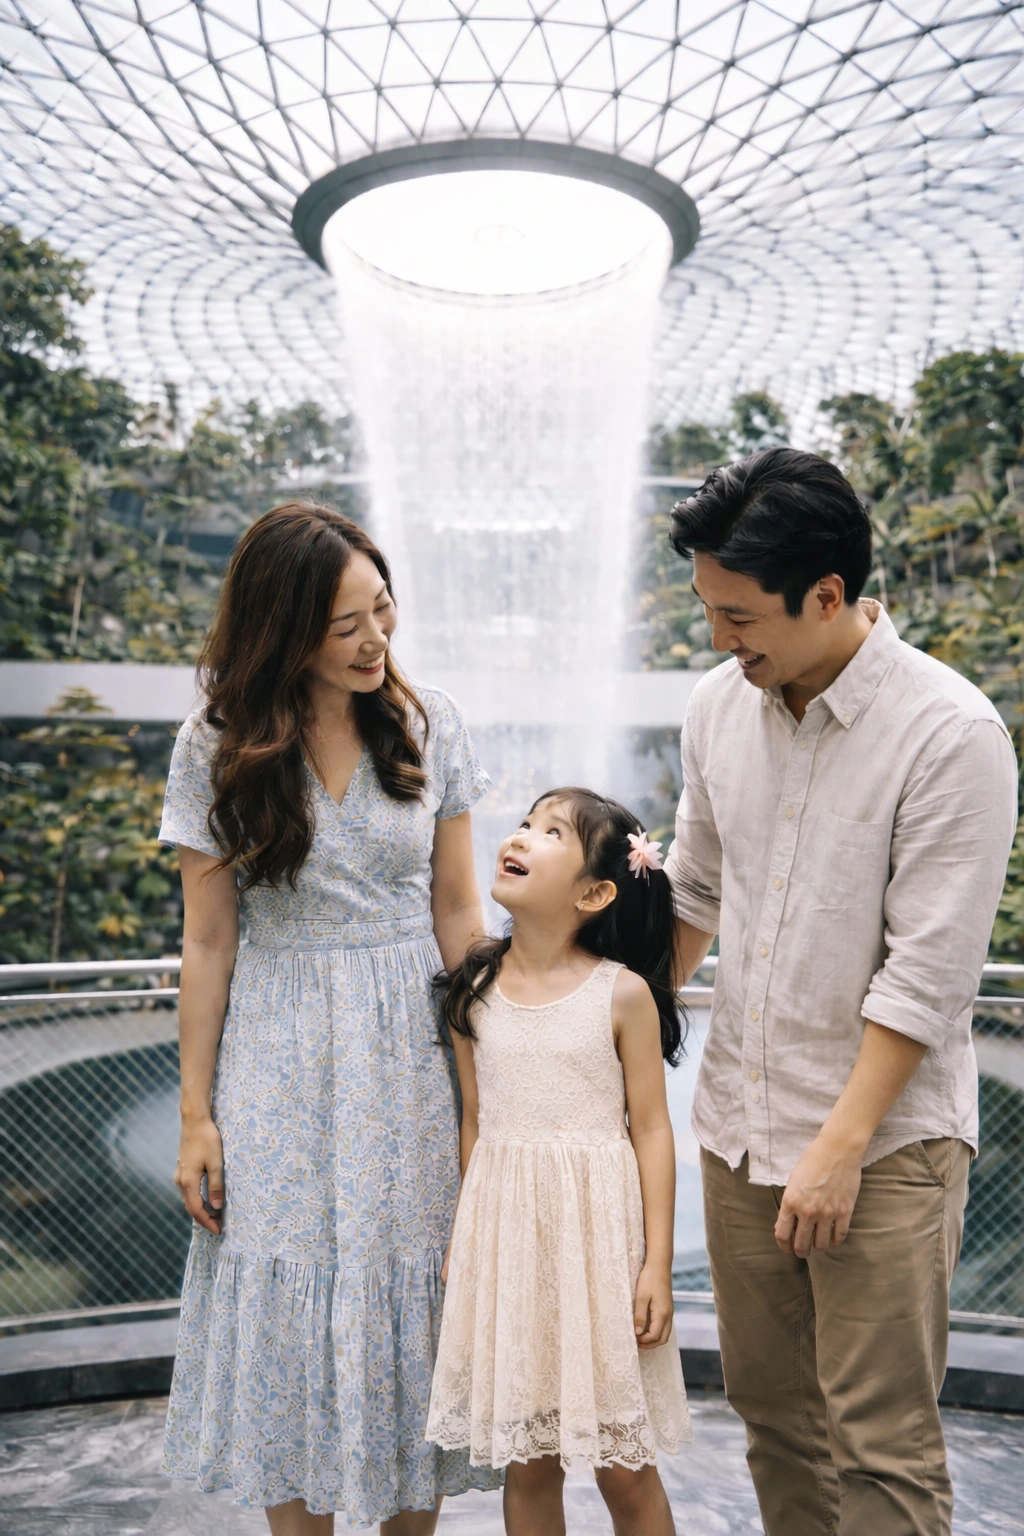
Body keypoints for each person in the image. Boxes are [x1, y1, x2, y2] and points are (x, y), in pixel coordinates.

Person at [663, 447, 1018, 1536]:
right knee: (774, 1419)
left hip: (881, 1148)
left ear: (827, 596)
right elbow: (693, 890)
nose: (719, 640)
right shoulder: (719, 709)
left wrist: (837, 1146)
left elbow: (930, 973)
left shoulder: (949, 733)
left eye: (738, 617)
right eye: (707, 611)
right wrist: (600, 1034)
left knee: (880, 1448)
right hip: (737, 1133)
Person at [158, 502, 502, 1534]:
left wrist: (487, 1085)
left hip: (409, 1049)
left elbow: (456, 911)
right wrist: (195, 1116)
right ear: (282, 623)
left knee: (411, 1293)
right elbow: (209, 942)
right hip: (276, 1057)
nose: (373, 640)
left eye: (383, 611)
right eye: (344, 622)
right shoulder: (214, 743)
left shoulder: (427, 720)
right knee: (285, 1304)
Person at [426, 788, 693, 1536]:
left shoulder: (624, 995)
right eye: (524, 824)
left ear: (595, 892)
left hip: (601, 1253)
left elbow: (652, 1132)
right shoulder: (472, 991)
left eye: (551, 832)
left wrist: (656, 1266)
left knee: (626, 1471)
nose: (521, 836)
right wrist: (464, 1238)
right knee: (529, 1466)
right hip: (511, 1249)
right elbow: (475, 1122)